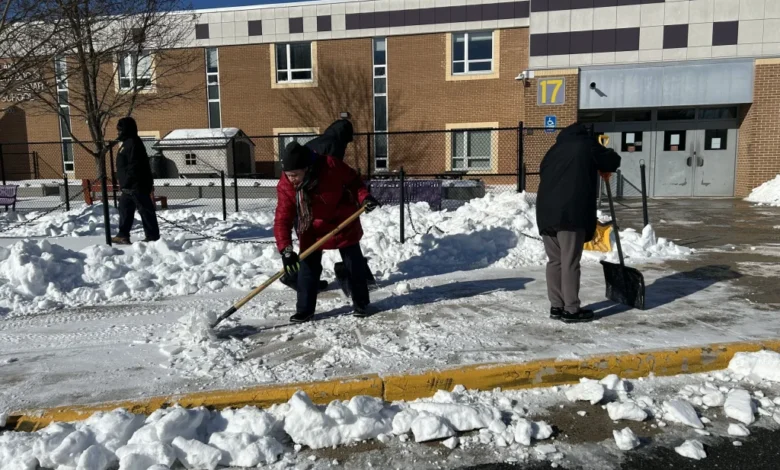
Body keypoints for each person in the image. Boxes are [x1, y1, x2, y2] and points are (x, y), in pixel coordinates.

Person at [275, 141, 380, 323]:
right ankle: (304, 310)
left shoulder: (331, 165)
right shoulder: (286, 185)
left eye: (295, 175)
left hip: (342, 220)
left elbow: (354, 181)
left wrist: (364, 197)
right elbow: (282, 218)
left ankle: (361, 303)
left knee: (353, 263)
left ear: (307, 168)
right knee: (307, 268)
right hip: (310, 226)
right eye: (288, 175)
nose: (291, 179)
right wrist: (286, 249)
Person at [536, 123, 621, 324]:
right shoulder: (586, 144)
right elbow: (611, 160)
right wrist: (603, 166)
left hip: (546, 212)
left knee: (555, 261)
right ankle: (571, 310)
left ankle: (556, 306)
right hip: (571, 213)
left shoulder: (553, 150)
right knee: (569, 261)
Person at [112, 117, 160, 245]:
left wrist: (127, 181)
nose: (118, 132)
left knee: (145, 210)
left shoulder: (133, 143)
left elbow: (135, 165)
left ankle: (152, 236)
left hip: (136, 185)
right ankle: (123, 235)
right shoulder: (126, 143)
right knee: (124, 208)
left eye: (120, 129)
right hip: (128, 186)